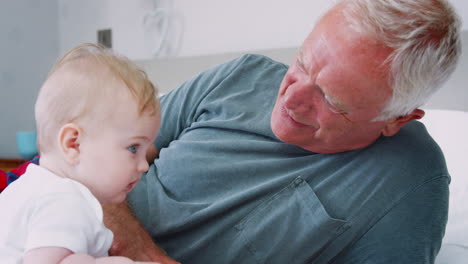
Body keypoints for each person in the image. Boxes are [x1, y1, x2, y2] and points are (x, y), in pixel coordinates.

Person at [104, 0, 461, 263]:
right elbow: (87, 161)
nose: (291, 98)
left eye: (331, 99)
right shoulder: (239, 77)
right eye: (302, 63)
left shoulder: (407, 183)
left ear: (395, 119)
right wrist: (136, 248)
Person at [0, 43, 167, 264]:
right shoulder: (66, 200)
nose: (143, 166)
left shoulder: (24, 189)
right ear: (74, 144)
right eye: (133, 148)